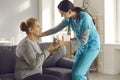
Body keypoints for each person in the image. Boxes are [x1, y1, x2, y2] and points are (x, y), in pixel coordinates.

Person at [40, 0, 100, 80]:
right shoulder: (69, 18)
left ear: (69, 11)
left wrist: (63, 43)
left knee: (77, 74)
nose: (61, 15)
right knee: (75, 72)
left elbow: (83, 41)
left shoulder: (85, 18)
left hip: (92, 47)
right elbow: (56, 28)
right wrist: (40, 34)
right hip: (82, 48)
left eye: (62, 13)